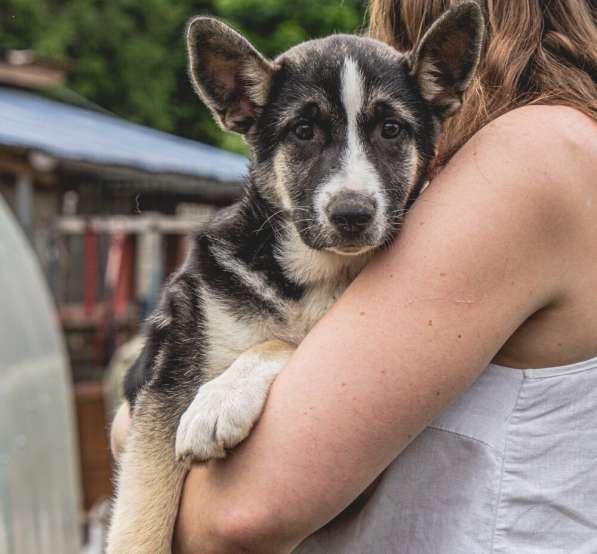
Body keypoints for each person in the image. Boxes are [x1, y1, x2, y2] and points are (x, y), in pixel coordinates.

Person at [111, 1, 597, 552]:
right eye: (305, 135)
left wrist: (135, 428)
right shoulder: (561, 152)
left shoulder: (528, 159)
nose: (352, 188)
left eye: (390, 129)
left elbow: (239, 514)